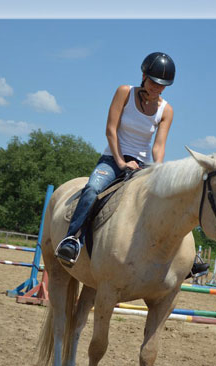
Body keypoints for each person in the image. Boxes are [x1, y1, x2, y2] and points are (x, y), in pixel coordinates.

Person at [55, 52, 175, 266]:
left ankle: (180, 258)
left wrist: (159, 170)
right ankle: (72, 240)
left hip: (142, 165)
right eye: (154, 82)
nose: (157, 87)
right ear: (144, 75)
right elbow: (110, 130)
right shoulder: (124, 93)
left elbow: (159, 146)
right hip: (113, 158)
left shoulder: (166, 110)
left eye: (162, 85)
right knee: (92, 189)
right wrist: (120, 162)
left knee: (169, 200)